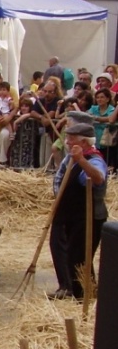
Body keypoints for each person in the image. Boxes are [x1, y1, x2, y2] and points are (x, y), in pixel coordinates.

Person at [47, 123, 108, 300]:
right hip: (73, 216)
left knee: (80, 259)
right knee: (73, 257)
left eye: (71, 139)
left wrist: (81, 160)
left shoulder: (94, 158)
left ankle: (86, 296)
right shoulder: (73, 158)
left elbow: (98, 178)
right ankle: (79, 294)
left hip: (88, 217)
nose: (67, 142)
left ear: (84, 142)